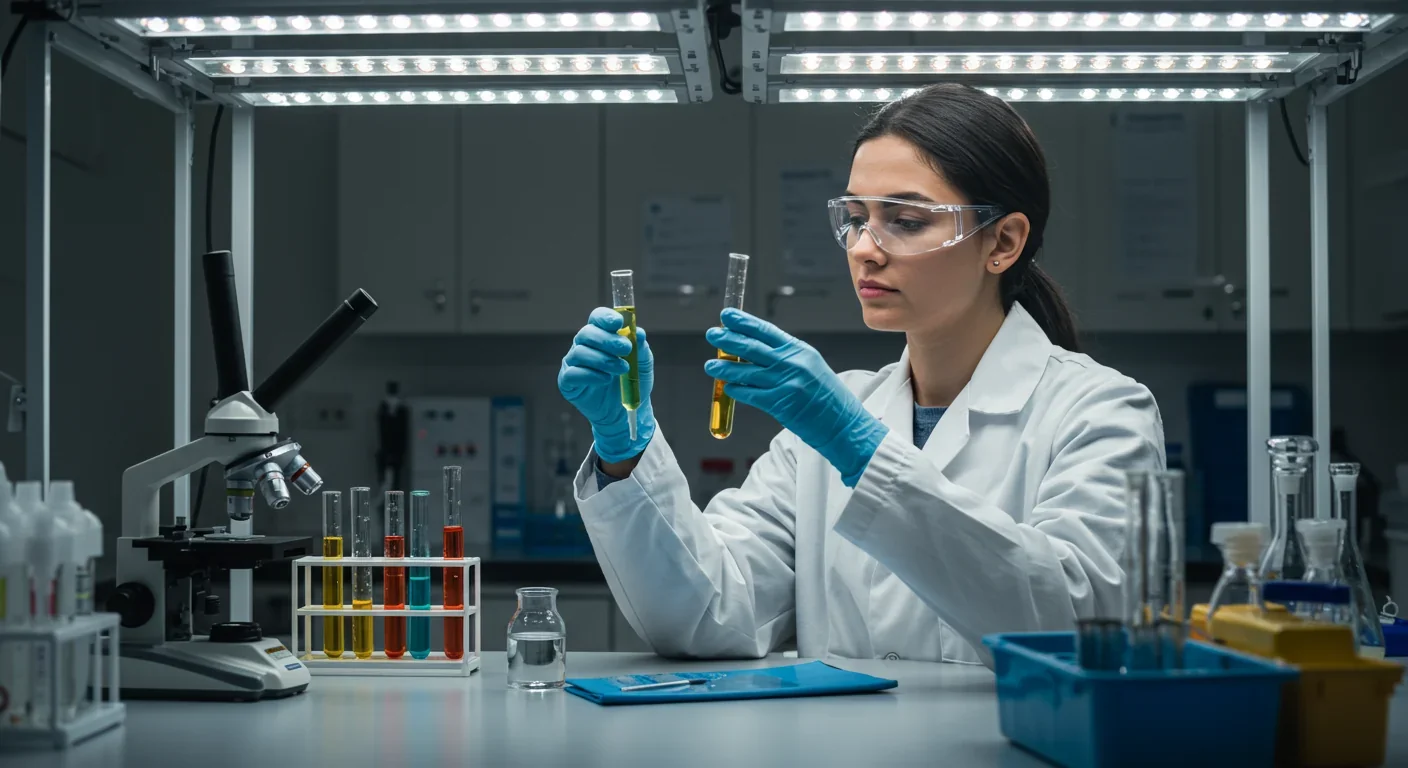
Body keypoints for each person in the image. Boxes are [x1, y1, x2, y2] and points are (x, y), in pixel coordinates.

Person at [557, 83, 1165, 667]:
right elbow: (710, 615)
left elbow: (1078, 626)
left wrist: (860, 450)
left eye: (905, 220)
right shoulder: (829, 424)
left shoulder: (1100, 411)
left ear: (1002, 241)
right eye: (855, 217)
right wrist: (624, 449)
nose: (863, 248)